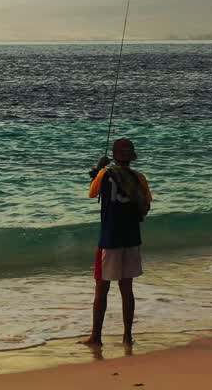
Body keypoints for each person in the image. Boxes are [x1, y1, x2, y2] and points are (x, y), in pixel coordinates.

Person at [82, 137, 151, 346]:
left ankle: (96, 337)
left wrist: (98, 167)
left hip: (109, 239)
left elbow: (92, 193)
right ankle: (127, 336)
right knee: (127, 289)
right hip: (132, 239)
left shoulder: (105, 174)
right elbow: (146, 206)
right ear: (132, 157)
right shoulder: (139, 178)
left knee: (101, 289)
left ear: (114, 156)